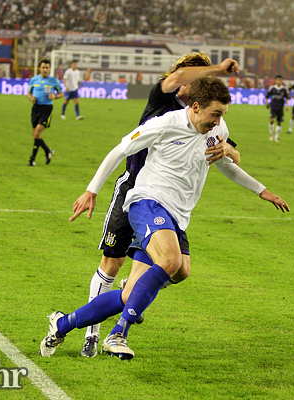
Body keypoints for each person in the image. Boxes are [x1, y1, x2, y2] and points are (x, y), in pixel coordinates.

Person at [39, 77, 289, 360]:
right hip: (147, 201)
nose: (218, 120)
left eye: (222, 115)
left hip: (177, 215)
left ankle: (61, 324)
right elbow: (119, 150)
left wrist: (261, 190)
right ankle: (117, 333)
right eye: (215, 113)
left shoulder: (217, 128)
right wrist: (91, 191)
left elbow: (223, 163)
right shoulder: (164, 124)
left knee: (175, 274)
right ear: (195, 107)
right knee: (170, 261)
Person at [76, 52, 241, 358]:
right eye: (185, 75)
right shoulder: (163, 100)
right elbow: (177, 78)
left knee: (177, 268)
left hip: (165, 202)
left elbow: (233, 154)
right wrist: (219, 68)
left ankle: (134, 293)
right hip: (132, 190)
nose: (184, 82)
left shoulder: (204, 117)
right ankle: (91, 333)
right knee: (111, 263)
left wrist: (228, 151)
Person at [26, 60, 63, 166]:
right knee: (35, 136)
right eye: (43, 67)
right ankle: (48, 151)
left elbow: (61, 93)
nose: (45, 70)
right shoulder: (34, 80)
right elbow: (29, 93)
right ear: (40, 68)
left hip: (47, 109)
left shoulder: (54, 81)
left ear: (49, 69)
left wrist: (55, 96)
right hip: (36, 108)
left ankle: (32, 159)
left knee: (37, 132)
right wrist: (31, 98)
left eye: (47, 68)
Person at [265, 75, 290, 142]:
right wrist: (266, 103)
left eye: (280, 80)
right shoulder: (272, 88)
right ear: (275, 80)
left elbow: (287, 97)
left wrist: (287, 105)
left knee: (279, 122)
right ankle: (271, 134)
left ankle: (276, 137)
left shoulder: (284, 89)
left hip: (280, 108)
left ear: (281, 81)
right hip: (273, 107)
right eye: (277, 80)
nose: (279, 81)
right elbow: (267, 96)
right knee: (272, 120)